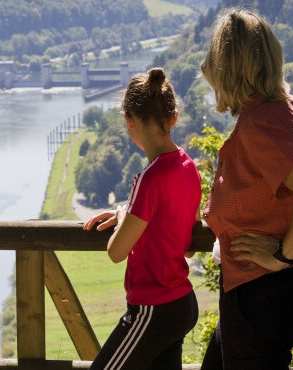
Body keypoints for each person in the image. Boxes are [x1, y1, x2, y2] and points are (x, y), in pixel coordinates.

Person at [199, 9, 293, 369]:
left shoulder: (260, 125)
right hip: (271, 292)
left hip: (260, 292)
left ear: (227, 68)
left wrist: (282, 255)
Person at [83, 67, 202, 370]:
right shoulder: (188, 167)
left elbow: (116, 251)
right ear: (174, 117)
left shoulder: (149, 178)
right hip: (181, 303)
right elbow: (187, 247)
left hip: (153, 308)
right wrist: (130, 213)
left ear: (129, 121)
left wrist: (125, 213)